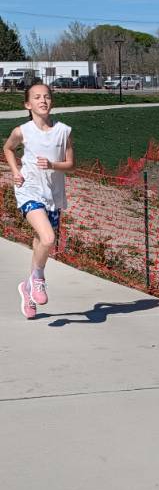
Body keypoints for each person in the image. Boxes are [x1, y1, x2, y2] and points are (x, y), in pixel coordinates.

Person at [3, 83, 75, 319]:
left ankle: (27, 288)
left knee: (40, 243)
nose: (43, 100)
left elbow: (71, 165)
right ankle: (38, 279)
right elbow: (8, 148)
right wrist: (15, 171)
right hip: (29, 190)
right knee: (48, 238)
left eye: (46, 96)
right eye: (37, 97)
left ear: (51, 101)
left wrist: (53, 165)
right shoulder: (22, 131)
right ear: (28, 104)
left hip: (53, 195)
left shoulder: (63, 131)